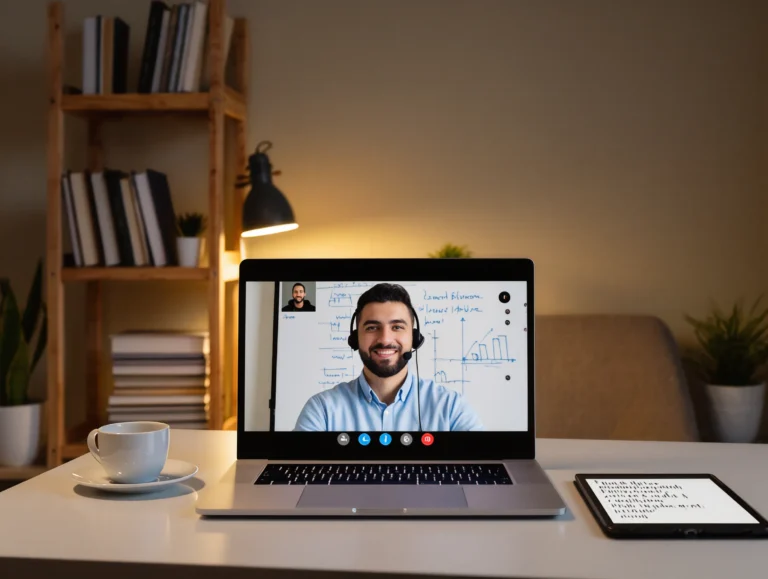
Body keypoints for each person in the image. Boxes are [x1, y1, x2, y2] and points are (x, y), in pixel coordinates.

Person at [294, 283, 484, 431]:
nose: (384, 339)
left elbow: (481, 468)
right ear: (354, 338)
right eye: (372, 327)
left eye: (397, 327)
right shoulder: (321, 410)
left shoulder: (451, 407)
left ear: (414, 338)